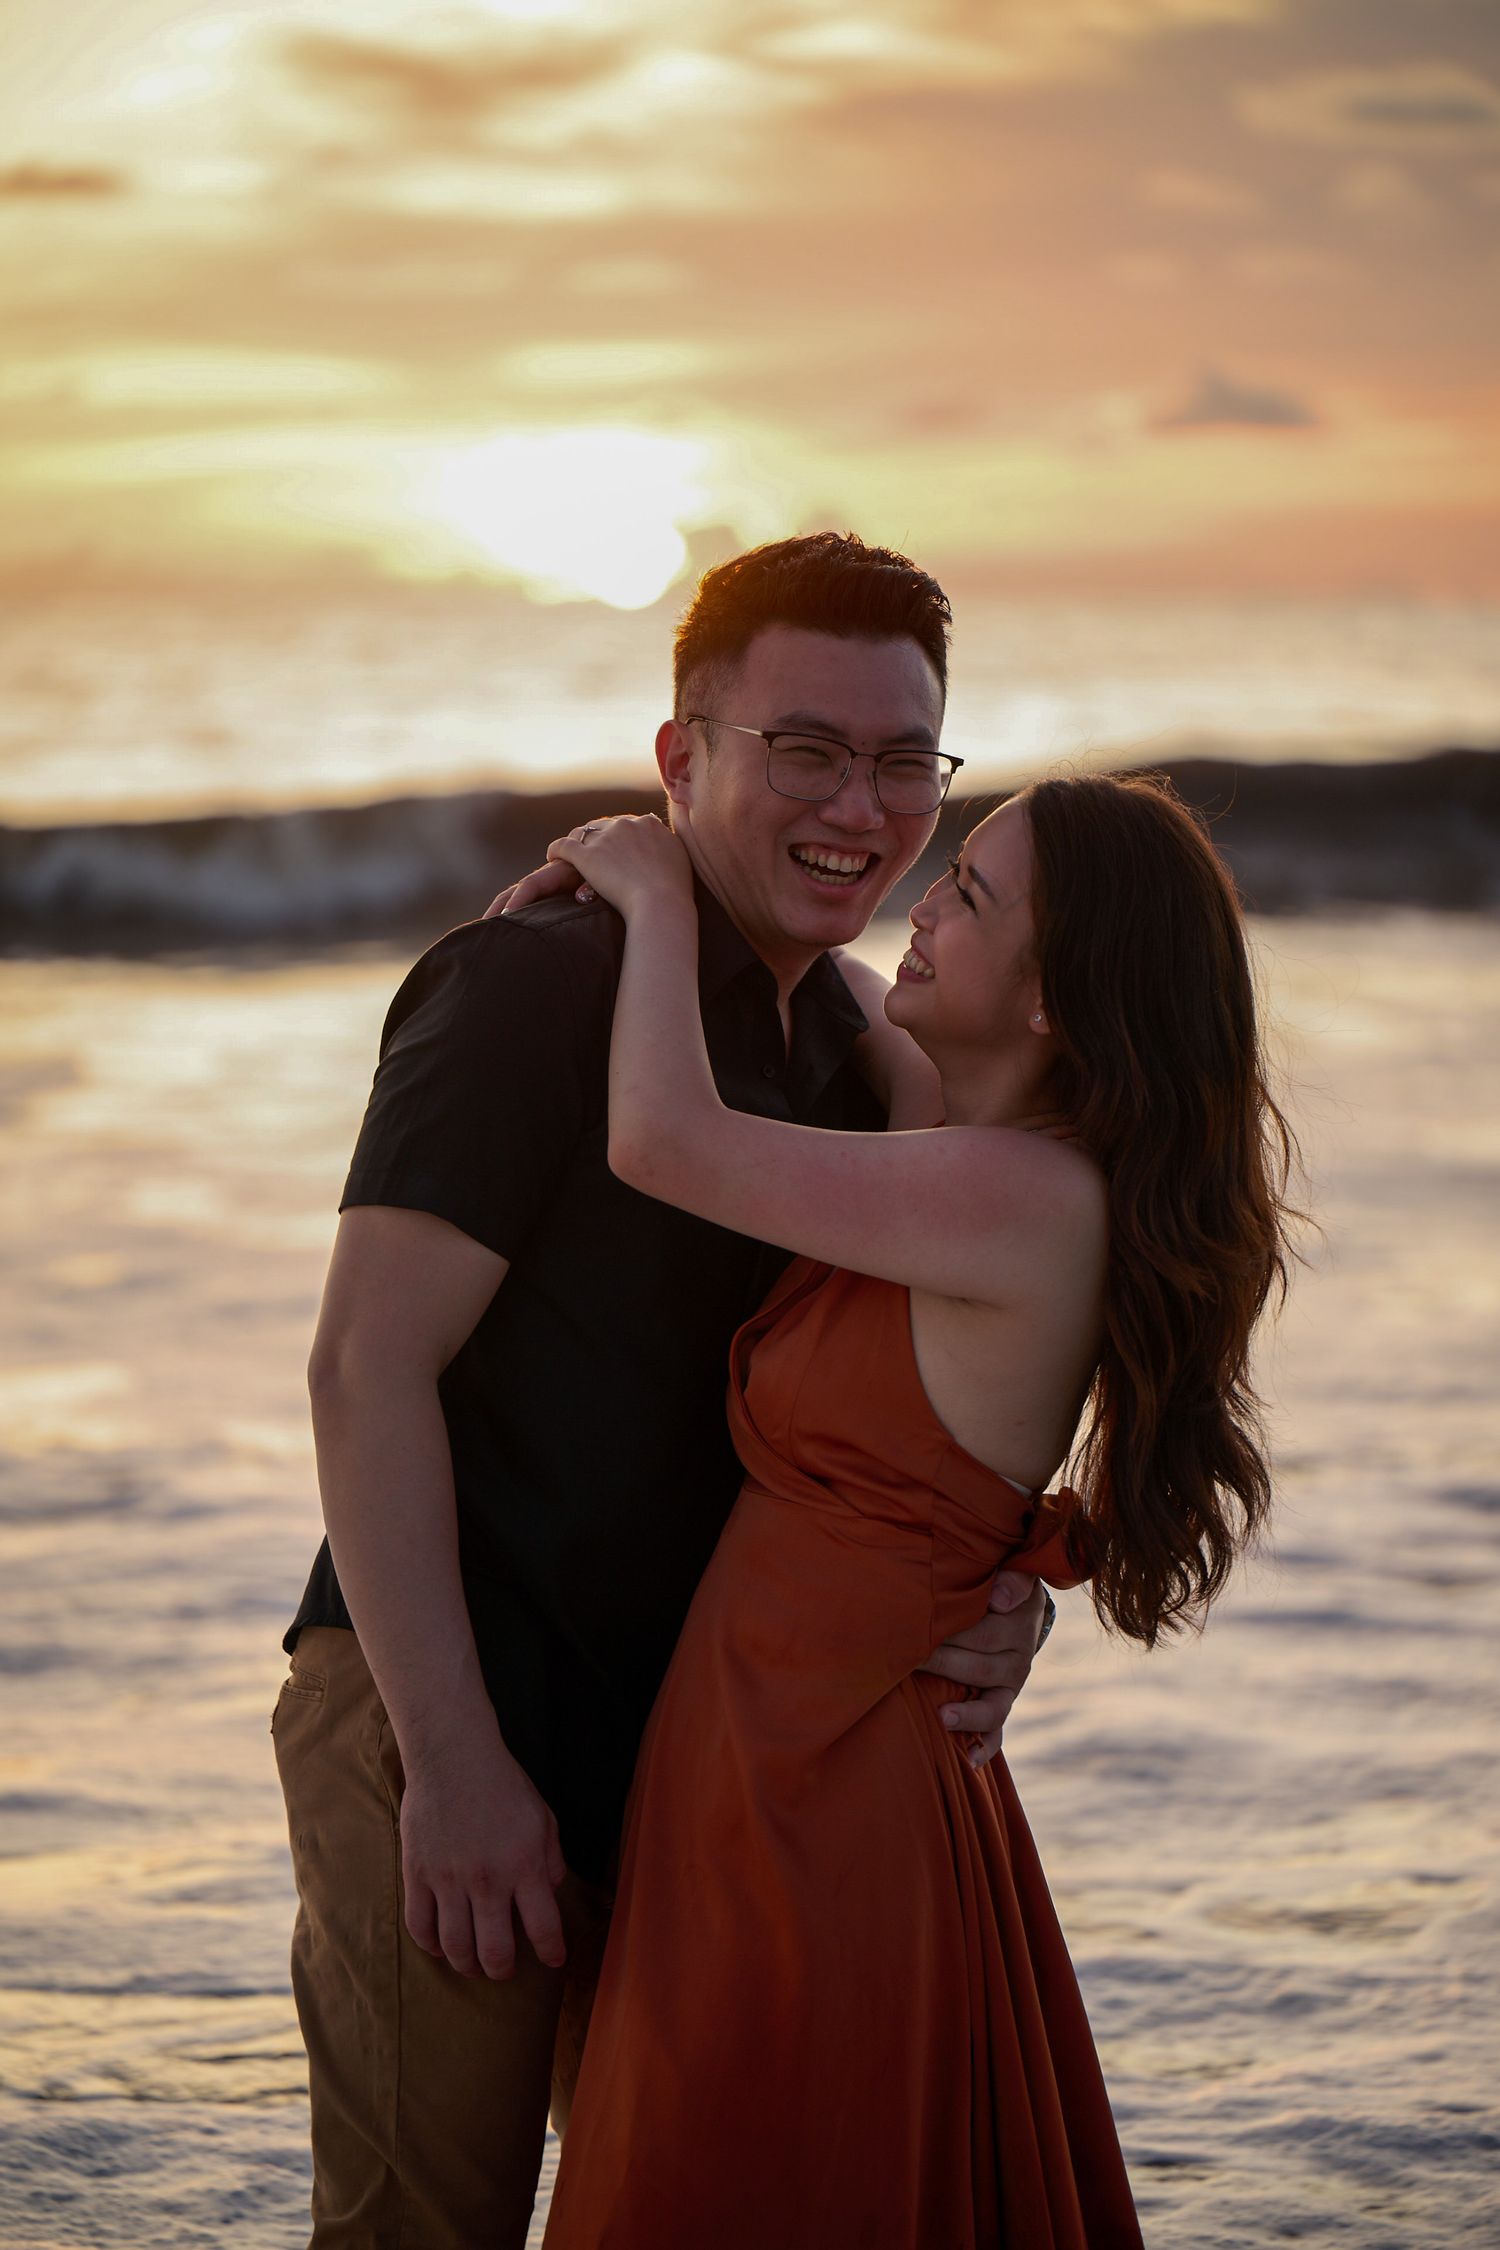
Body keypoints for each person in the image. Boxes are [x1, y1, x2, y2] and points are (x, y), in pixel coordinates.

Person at [272, 533, 1056, 2250]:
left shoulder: (854, 1053)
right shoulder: (531, 983)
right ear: (680, 758)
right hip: (450, 1702)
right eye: (805, 748)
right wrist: (454, 1763)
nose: (861, 805)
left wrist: (1006, 1594)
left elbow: (941, 1390)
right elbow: (362, 1365)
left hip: (699, 1767)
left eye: (904, 759)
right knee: (425, 2228)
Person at [532, 775, 1296, 2249]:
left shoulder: (1020, 1198)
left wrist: (653, 890)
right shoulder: (954, 1141)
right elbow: (867, 1012)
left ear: (1056, 997)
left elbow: (663, 1142)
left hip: (827, 1798)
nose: (925, 903)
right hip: (774, 1757)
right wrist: (739, 855)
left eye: (972, 894)